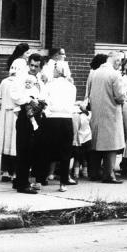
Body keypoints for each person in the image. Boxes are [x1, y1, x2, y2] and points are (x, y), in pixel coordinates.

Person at [86, 51, 127, 183]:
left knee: (96, 143)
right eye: (119, 62)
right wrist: (125, 93)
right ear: (116, 61)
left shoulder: (94, 73)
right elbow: (120, 96)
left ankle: (94, 173)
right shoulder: (115, 75)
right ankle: (109, 174)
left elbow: (89, 92)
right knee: (111, 144)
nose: (119, 65)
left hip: (96, 112)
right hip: (111, 112)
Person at [12, 54, 46, 193]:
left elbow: (43, 94)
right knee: (24, 149)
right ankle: (22, 184)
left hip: (36, 115)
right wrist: (29, 100)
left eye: (36, 66)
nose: (33, 68)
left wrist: (42, 103)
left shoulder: (39, 79)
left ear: (40, 67)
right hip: (25, 115)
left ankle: (20, 179)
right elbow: (14, 95)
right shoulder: (20, 77)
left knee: (31, 149)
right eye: (31, 65)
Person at [41, 62, 77, 191]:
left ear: (58, 70)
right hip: (67, 120)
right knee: (65, 152)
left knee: (47, 150)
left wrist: (48, 112)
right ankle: (63, 182)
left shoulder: (49, 85)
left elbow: (44, 102)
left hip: (52, 119)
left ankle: (43, 178)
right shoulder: (71, 87)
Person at [0, 60, 23, 182]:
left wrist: (3, 106)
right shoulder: (21, 83)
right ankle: (15, 172)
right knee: (15, 143)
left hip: (6, 115)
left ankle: (6, 171)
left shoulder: (4, 82)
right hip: (16, 115)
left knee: (7, 142)